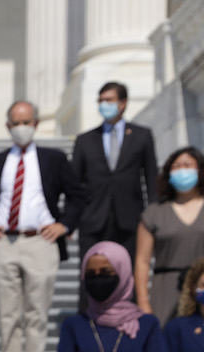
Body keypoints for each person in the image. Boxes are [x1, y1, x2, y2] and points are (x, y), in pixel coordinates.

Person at [0, 100, 83, 352]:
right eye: (16, 123)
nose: (21, 128)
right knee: (8, 311)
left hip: (41, 240)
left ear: (36, 124)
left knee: (37, 310)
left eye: (26, 122)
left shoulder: (54, 159)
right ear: (7, 126)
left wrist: (64, 225)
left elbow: (77, 195)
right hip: (2, 242)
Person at [135, 147, 204, 324]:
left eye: (188, 165)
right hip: (166, 289)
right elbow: (142, 260)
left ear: (201, 170)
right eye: (177, 166)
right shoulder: (154, 213)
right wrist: (143, 301)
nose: (183, 170)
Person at [70, 81, 159, 272]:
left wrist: (152, 214)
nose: (104, 105)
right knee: (92, 275)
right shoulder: (84, 140)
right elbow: (74, 185)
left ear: (123, 103)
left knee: (129, 273)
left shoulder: (141, 136)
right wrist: (71, 221)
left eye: (109, 100)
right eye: (101, 100)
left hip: (130, 218)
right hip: (94, 219)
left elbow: (152, 178)